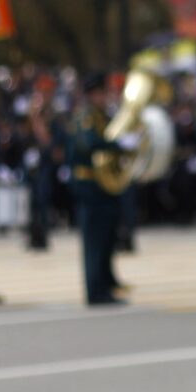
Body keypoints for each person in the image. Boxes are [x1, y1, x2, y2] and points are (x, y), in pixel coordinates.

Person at [66, 76, 128, 306]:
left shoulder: (103, 116)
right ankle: (95, 290)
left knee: (106, 238)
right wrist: (117, 144)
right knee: (94, 241)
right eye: (100, 93)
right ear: (92, 95)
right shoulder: (85, 117)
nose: (104, 98)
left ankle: (106, 285)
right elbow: (89, 143)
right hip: (90, 186)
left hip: (105, 186)